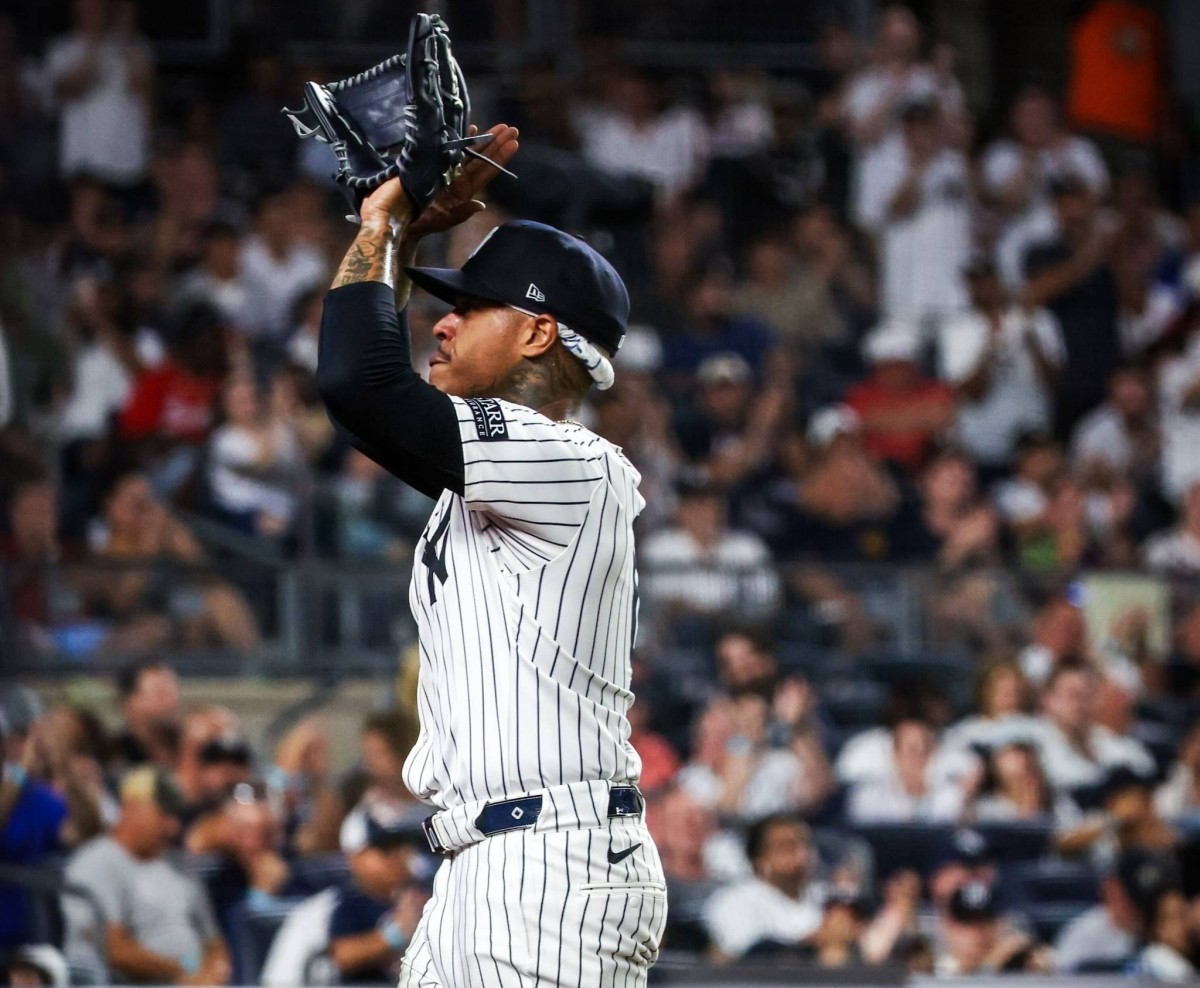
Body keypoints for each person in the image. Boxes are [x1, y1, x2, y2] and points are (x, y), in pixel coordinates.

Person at [314, 125, 667, 986]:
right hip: (484, 866)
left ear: (539, 334)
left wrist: (388, 222)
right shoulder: (495, 474)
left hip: (554, 866)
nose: (442, 323)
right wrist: (393, 235)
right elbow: (370, 392)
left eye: (470, 309)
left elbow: (360, 385)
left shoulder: (570, 465)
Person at [62, 765, 230, 984]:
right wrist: (183, 971)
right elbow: (115, 951)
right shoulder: (94, 864)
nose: (173, 827)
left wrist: (208, 970)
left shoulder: (178, 866)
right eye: (164, 814)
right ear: (132, 807)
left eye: (176, 816)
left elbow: (212, 942)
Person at [938, 256, 1064, 474]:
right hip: (983, 446)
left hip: (1033, 441)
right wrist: (992, 343)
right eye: (975, 282)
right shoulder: (956, 329)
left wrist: (1029, 334)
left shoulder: (1039, 319)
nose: (982, 288)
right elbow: (973, 392)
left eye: (988, 280)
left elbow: (1055, 383)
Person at [702, 814, 823, 961]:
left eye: (805, 845)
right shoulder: (733, 901)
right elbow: (750, 957)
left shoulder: (823, 897)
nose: (802, 856)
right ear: (759, 860)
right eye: (787, 847)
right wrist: (819, 940)